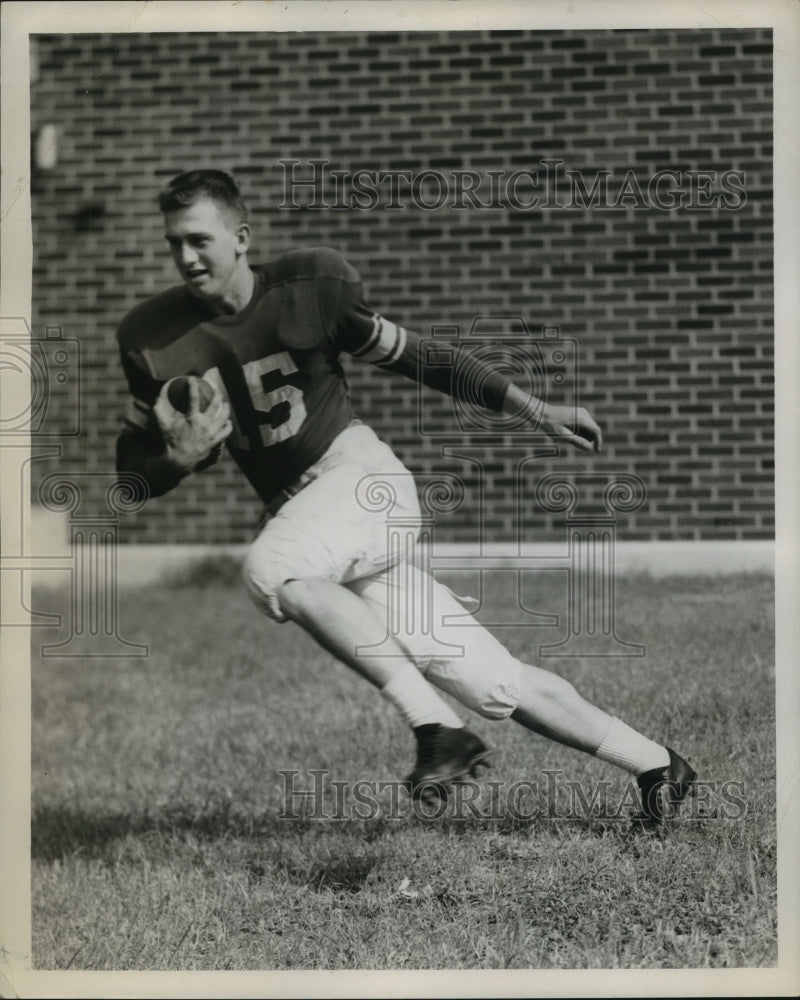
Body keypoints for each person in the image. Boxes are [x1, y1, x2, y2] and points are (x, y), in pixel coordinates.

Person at [116, 169, 696, 823]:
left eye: (199, 240)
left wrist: (533, 407)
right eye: (174, 243)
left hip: (363, 484)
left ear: (241, 236)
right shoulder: (154, 336)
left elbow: (423, 357)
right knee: (492, 682)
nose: (186, 257)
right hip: (314, 522)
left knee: (275, 571)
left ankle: (434, 730)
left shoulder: (307, 292)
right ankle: (659, 766)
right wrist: (173, 459)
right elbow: (130, 474)